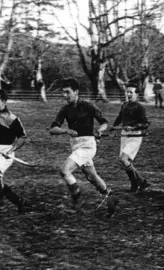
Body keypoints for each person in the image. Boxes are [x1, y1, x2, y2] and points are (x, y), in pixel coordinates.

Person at [48, 78, 118, 216]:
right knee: (91, 176)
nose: (65, 96)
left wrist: (100, 130)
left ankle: (77, 200)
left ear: (76, 92)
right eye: (63, 93)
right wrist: (65, 131)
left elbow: (104, 122)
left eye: (67, 92)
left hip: (88, 146)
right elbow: (53, 129)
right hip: (75, 145)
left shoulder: (88, 106)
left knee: (64, 171)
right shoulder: (65, 109)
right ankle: (111, 197)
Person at [111, 85, 151, 192]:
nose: (128, 94)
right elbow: (120, 117)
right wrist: (114, 126)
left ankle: (141, 181)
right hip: (124, 135)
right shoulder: (124, 105)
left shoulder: (139, 107)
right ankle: (136, 183)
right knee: (124, 162)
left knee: (123, 159)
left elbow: (145, 123)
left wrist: (133, 127)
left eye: (131, 93)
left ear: (137, 94)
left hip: (135, 136)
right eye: (127, 92)